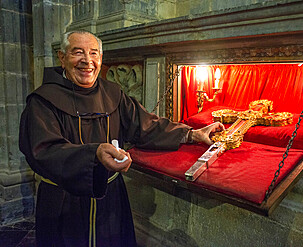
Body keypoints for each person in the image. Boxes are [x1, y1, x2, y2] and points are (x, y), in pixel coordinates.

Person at [19, 30, 224, 247]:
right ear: (62, 57)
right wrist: (94, 154)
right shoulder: (42, 101)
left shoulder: (113, 93)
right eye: (77, 53)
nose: (87, 61)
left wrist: (191, 133)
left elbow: (146, 125)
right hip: (64, 204)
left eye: (94, 54)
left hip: (110, 198)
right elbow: (42, 151)